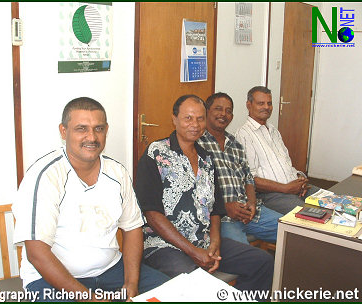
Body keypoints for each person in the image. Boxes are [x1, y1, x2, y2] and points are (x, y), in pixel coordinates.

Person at [12, 97, 169, 302]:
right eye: (81, 129)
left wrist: (131, 284)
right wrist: (88, 299)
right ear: (63, 131)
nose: (91, 137)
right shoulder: (46, 177)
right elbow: (36, 253)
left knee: (171, 292)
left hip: (112, 270)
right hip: (50, 279)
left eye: (99, 128)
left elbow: (132, 228)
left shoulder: (117, 172)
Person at [135, 94, 274, 297]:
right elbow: (152, 214)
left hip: (203, 241)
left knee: (262, 262)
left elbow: (216, 210)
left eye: (200, 118)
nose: (195, 124)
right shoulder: (156, 153)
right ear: (174, 119)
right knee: (195, 280)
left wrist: (215, 244)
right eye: (188, 118)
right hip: (163, 245)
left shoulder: (207, 159)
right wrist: (193, 251)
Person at [198, 92, 282, 244]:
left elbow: (249, 178)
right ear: (206, 111)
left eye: (229, 111)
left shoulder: (235, 144)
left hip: (250, 213)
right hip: (221, 218)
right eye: (218, 109)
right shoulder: (197, 144)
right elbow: (194, 189)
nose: (223, 114)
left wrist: (251, 202)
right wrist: (224, 207)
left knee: (293, 232)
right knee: (242, 257)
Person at [235, 86, 319, 215]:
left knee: (333, 202)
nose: (266, 107)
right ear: (248, 105)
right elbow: (249, 179)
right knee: (311, 215)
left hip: (295, 187)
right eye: (261, 103)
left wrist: (300, 178)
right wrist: (286, 188)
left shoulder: (273, 130)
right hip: (271, 195)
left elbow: (285, 163)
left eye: (269, 103)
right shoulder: (244, 134)